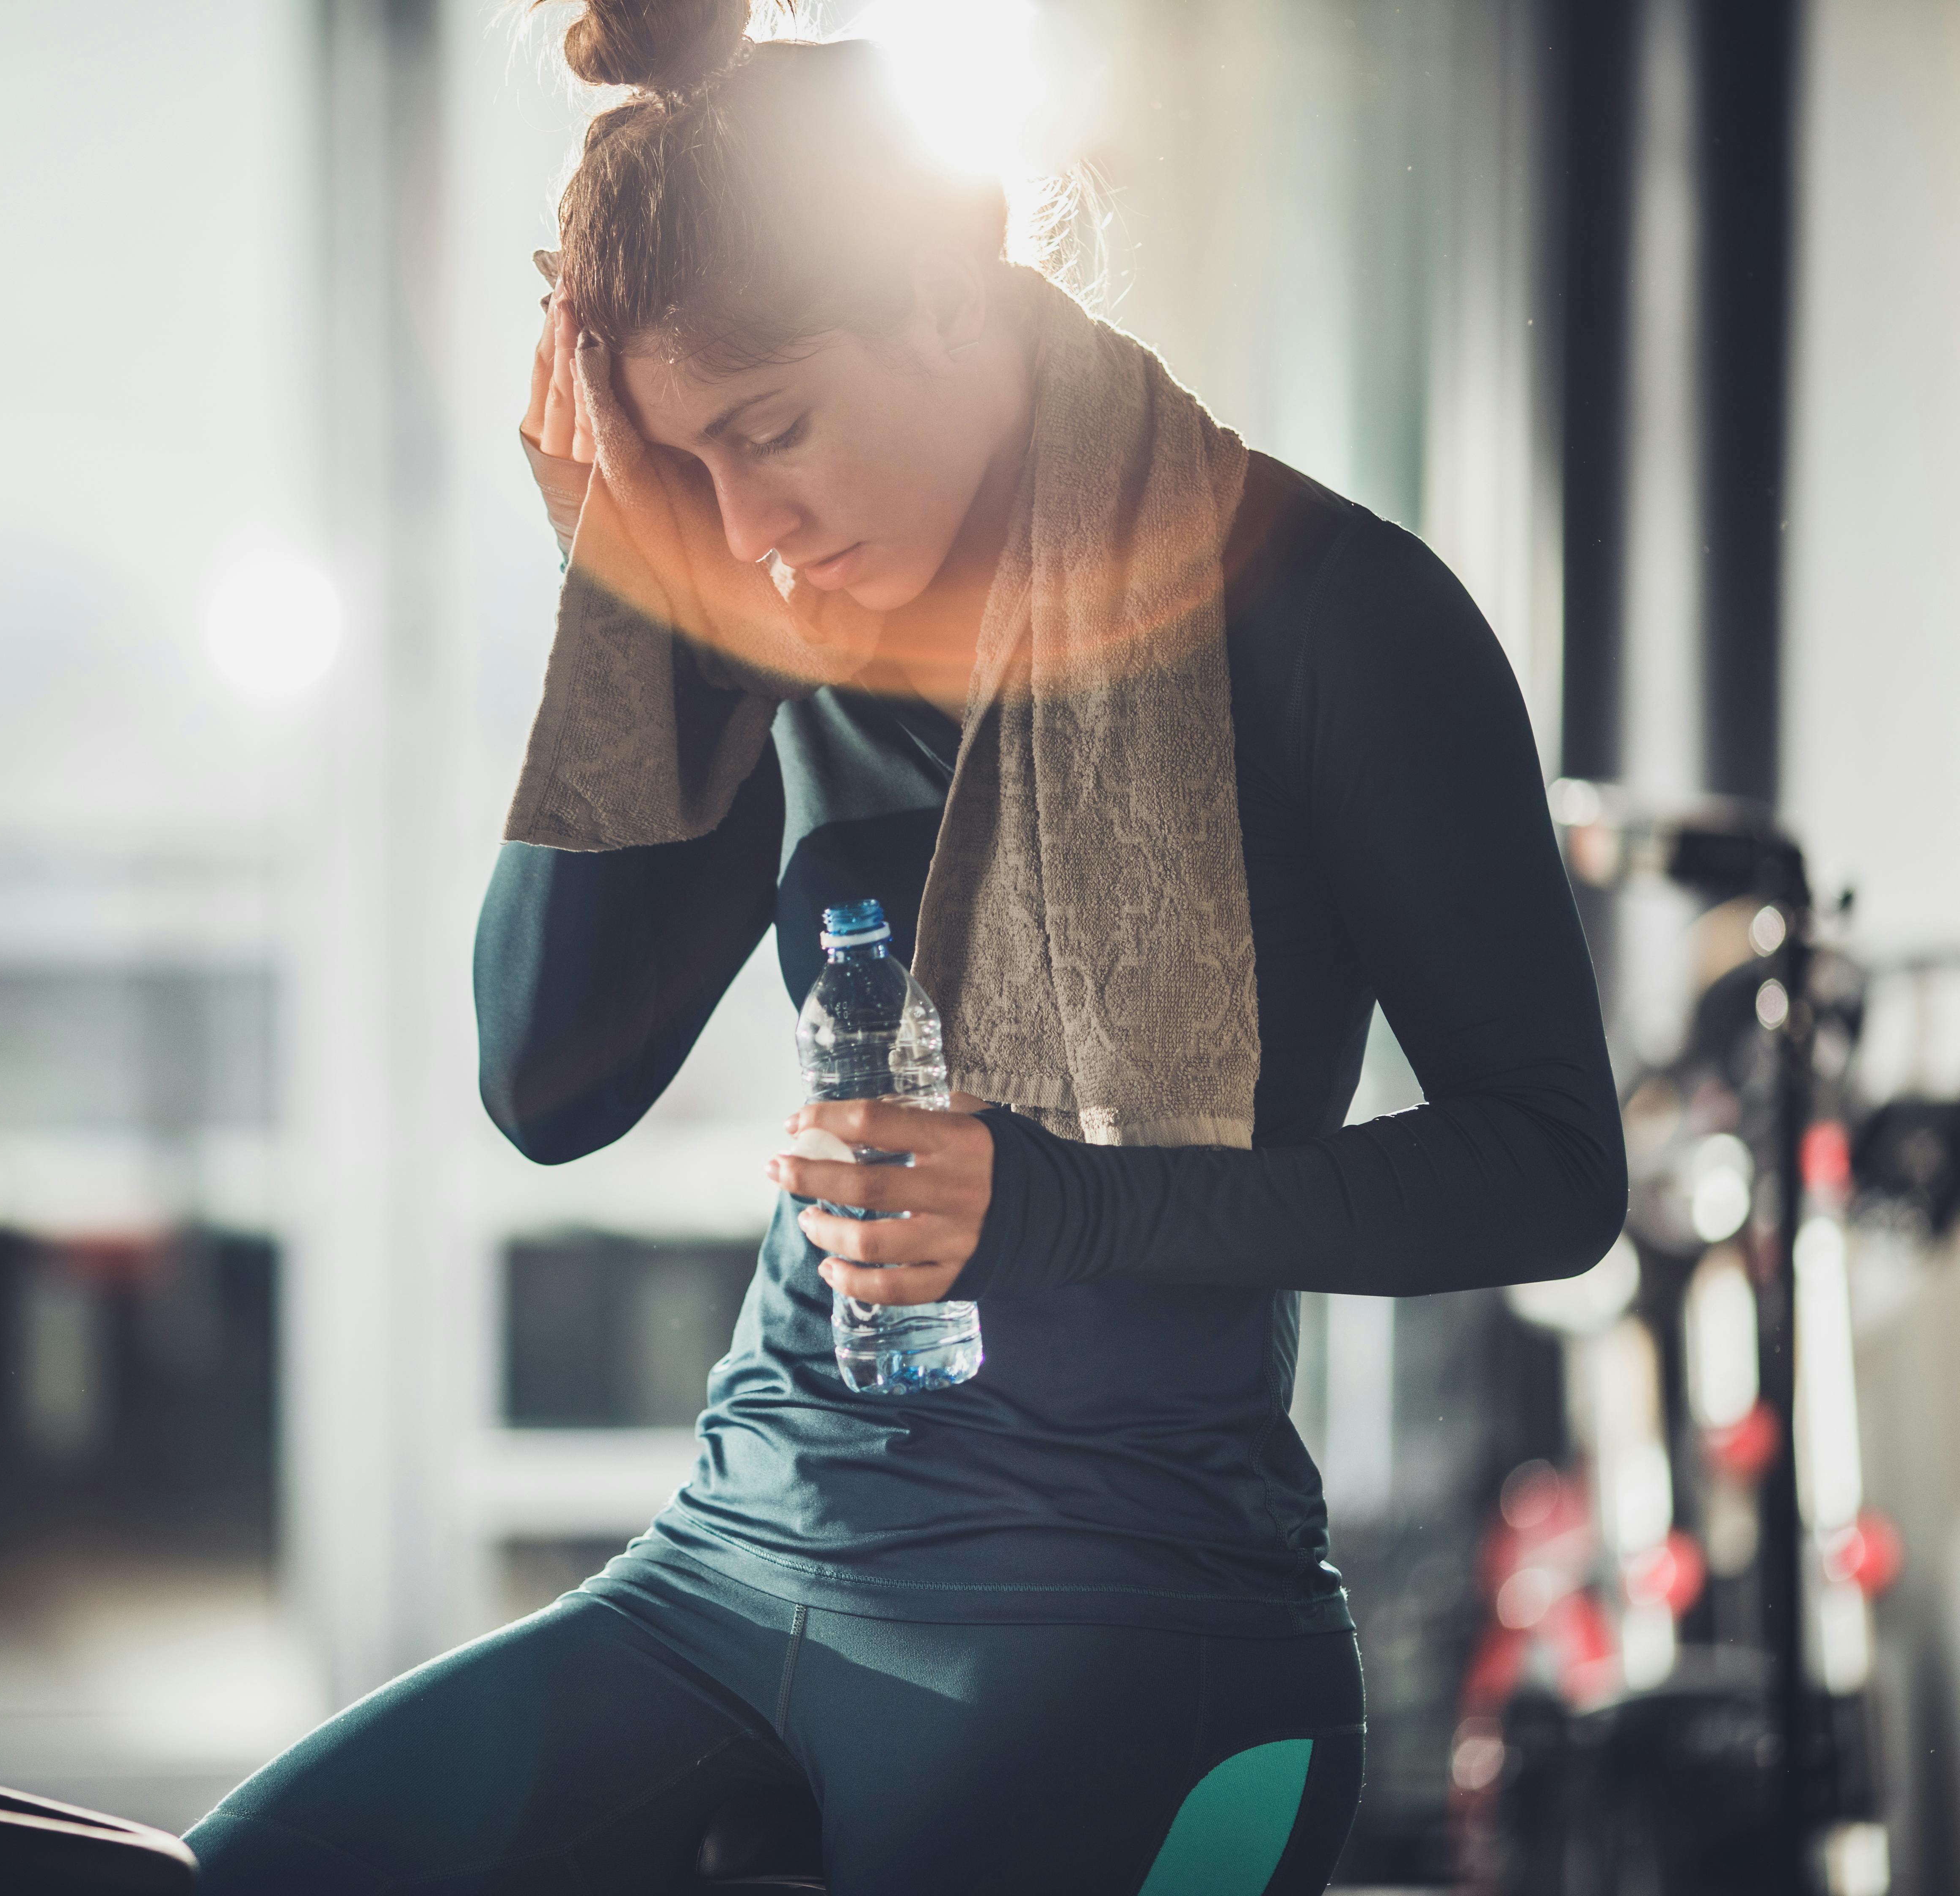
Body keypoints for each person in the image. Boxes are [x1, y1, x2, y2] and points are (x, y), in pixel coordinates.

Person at [185, 3, 1624, 1890]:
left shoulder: (1338, 621)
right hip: (734, 1557)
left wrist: (1059, 1208)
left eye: (768, 434)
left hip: (1131, 1595)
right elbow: (546, 1082)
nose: (750, 531)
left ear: (955, 287)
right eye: (683, 470)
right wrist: (619, 585)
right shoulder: (771, 618)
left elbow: (1551, 1173)